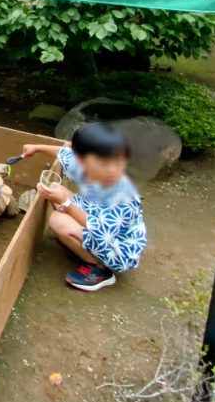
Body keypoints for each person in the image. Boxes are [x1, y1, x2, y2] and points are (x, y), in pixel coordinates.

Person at [22, 123, 146, 292]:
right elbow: (64, 154)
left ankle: (100, 268)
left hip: (118, 247)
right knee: (56, 189)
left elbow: (100, 229)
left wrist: (65, 204)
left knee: (58, 220)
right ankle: (77, 240)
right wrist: (36, 148)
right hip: (97, 214)